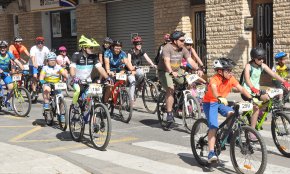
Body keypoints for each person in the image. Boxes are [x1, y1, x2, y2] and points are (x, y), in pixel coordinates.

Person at [203, 58, 252, 163]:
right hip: (210, 102)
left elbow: (242, 89)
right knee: (214, 126)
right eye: (228, 71)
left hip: (222, 101)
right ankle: (211, 152)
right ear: (220, 71)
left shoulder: (231, 78)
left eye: (231, 70)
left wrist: (251, 98)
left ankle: (228, 135)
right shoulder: (214, 79)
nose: (231, 72)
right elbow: (215, 90)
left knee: (232, 114)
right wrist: (219, 97)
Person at [241, 47, 290, 135]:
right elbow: (247, 79)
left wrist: (284, 82)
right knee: (256, 107)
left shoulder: (262, 65)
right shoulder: (248, 66)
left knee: (267, 99)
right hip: (247, 91)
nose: (262, 60)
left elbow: (273, 74)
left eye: (263, 58)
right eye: (259, 59)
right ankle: (252, 132)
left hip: (257, 91)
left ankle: (258, 114)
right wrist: (252, 88)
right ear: (253, 58)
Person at [157, 31, 199, 123]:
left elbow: (190, 60)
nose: (183, 42)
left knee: (187, 82)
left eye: (184, 40)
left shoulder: (183, 49)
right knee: (170, 89)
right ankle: (169, 113)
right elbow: (166, 61)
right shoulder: (167, 48)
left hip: (177, 70)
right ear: (175, 41)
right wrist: (171, 71)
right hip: (165, 71)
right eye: (181, 40)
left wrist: (198, 68)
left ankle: (180, 103)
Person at [70, 35, 110, 110]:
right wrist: (74, 77)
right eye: (90, 47)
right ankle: (74, 105)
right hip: (76, 81)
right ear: (84, 47)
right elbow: (72, 69)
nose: (92, 49)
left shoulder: (94, 57)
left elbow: (100, 68)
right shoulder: (76, 55)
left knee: (90, 98)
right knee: (78, 91)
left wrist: (107, 78)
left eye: (93, 47)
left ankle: (90, 116)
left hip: (88, 81)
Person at [103, 40, 136, 105]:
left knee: (124, 80)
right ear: (112, 47)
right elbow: (106, 63)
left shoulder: (122, 53)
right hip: (110, 70)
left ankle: (121, 95)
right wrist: (109, 71)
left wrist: (132, 69)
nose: (118, 50)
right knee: (110, 87)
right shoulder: (107, 52)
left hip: (119, 70)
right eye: (116, 48)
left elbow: (127, 62)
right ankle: (105, 103)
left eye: (119, 48)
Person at [39, 52, 68, 121]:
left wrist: (67, 77)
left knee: (61, 97)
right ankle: (46, 104)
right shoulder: (45, 68)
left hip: (57, 84)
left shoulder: (58, 67)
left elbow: (64, 73)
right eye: (51, 60)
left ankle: (62, 114)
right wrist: (42, 80)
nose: (53, 61)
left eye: (54, 60)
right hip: (47, 83)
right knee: (47, 89)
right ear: (47, 61)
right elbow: (41, 76)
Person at [0, 40, 24, 110]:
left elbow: (16, 61)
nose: (2, 49)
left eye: (4, 47)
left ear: (6, 48)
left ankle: (7, 101)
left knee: (11, 87)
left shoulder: (9, 54)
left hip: (5, 73)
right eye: (1, 47)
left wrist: (22, 67)